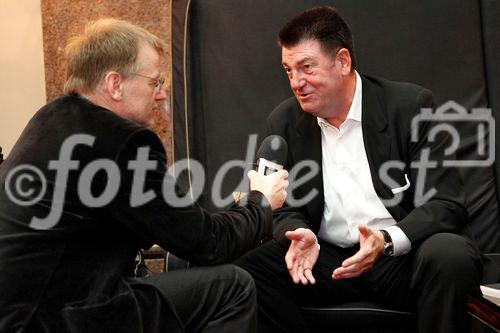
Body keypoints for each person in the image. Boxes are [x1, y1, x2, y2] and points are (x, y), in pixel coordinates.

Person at [0, 19, 288, 332]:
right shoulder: (122, 141)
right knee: (233, 287)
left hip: (21, 313)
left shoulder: (51, 118)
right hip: (60, 318)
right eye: (155, 82)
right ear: (115, 84)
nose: (161, 94)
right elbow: (208, 243)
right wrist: (261, 203)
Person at [235, 6, 486, 333]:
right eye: (288, 70)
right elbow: (283, 207)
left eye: (306, 67)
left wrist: (385, 239)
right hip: (327, 259)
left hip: (400, 257)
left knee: (450, 255)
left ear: (342, 61)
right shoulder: (284, 122)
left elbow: (446, 204)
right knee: (246, 271)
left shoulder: (409, 107)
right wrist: (302, 233)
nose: (296, 82)